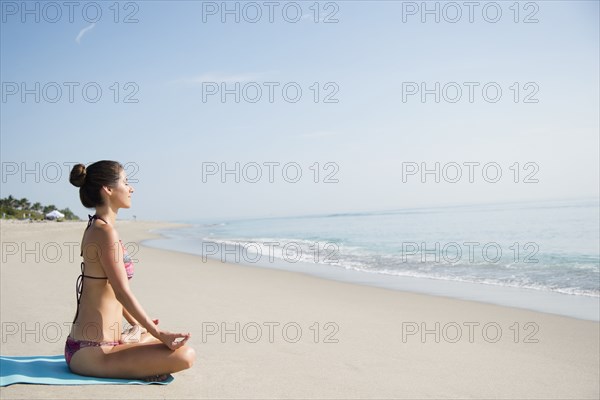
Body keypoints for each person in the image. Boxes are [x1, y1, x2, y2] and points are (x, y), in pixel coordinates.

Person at [66, 160, 195, 381]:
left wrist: (138, 325)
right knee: (185, 356)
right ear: (107, 189)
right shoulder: (104, 233)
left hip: (96, 344)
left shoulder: (99, 227)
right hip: (94, 351)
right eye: (125, 182)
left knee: (148, 332)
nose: (131, 188)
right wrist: (159, 334)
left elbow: (110, 289)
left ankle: (137, 347)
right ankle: (138, 363)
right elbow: (121, 292)